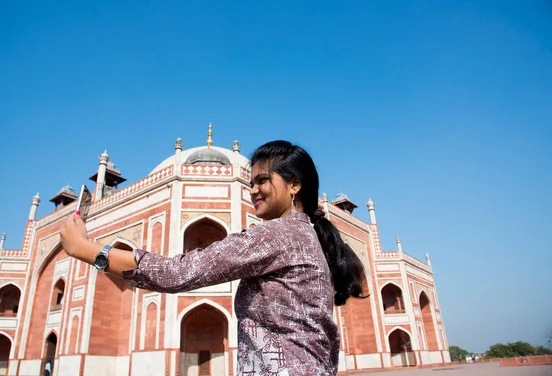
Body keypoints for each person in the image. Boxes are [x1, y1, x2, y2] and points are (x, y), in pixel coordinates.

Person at [60, 140, 366, 376]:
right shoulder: (308, 237)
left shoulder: (275, 235)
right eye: (250, 183)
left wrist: (84, 249)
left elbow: (176, 273)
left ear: (294, 184)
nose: (254, 190)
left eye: (262, 181)